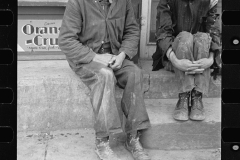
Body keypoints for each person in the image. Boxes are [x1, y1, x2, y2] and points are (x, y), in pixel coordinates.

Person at [58, 0, 151, 160]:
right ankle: (102, 142)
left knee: (135, 73)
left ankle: (133, 137)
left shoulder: (124, 2)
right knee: (105, 75)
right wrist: (97, 57)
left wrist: (122, 55)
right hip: (87, 57)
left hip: (115, 55)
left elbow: (132, 31)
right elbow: (66, 40)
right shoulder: (78, 3)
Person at [152, 0, 221, 121]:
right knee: (185, 37)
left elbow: (214, 32)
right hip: (174, 55)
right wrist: (176, 61)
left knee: (203, 37)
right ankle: (183, 96)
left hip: (202, 53)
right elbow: (163, 33)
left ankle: (197, 97)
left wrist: (210, 60)